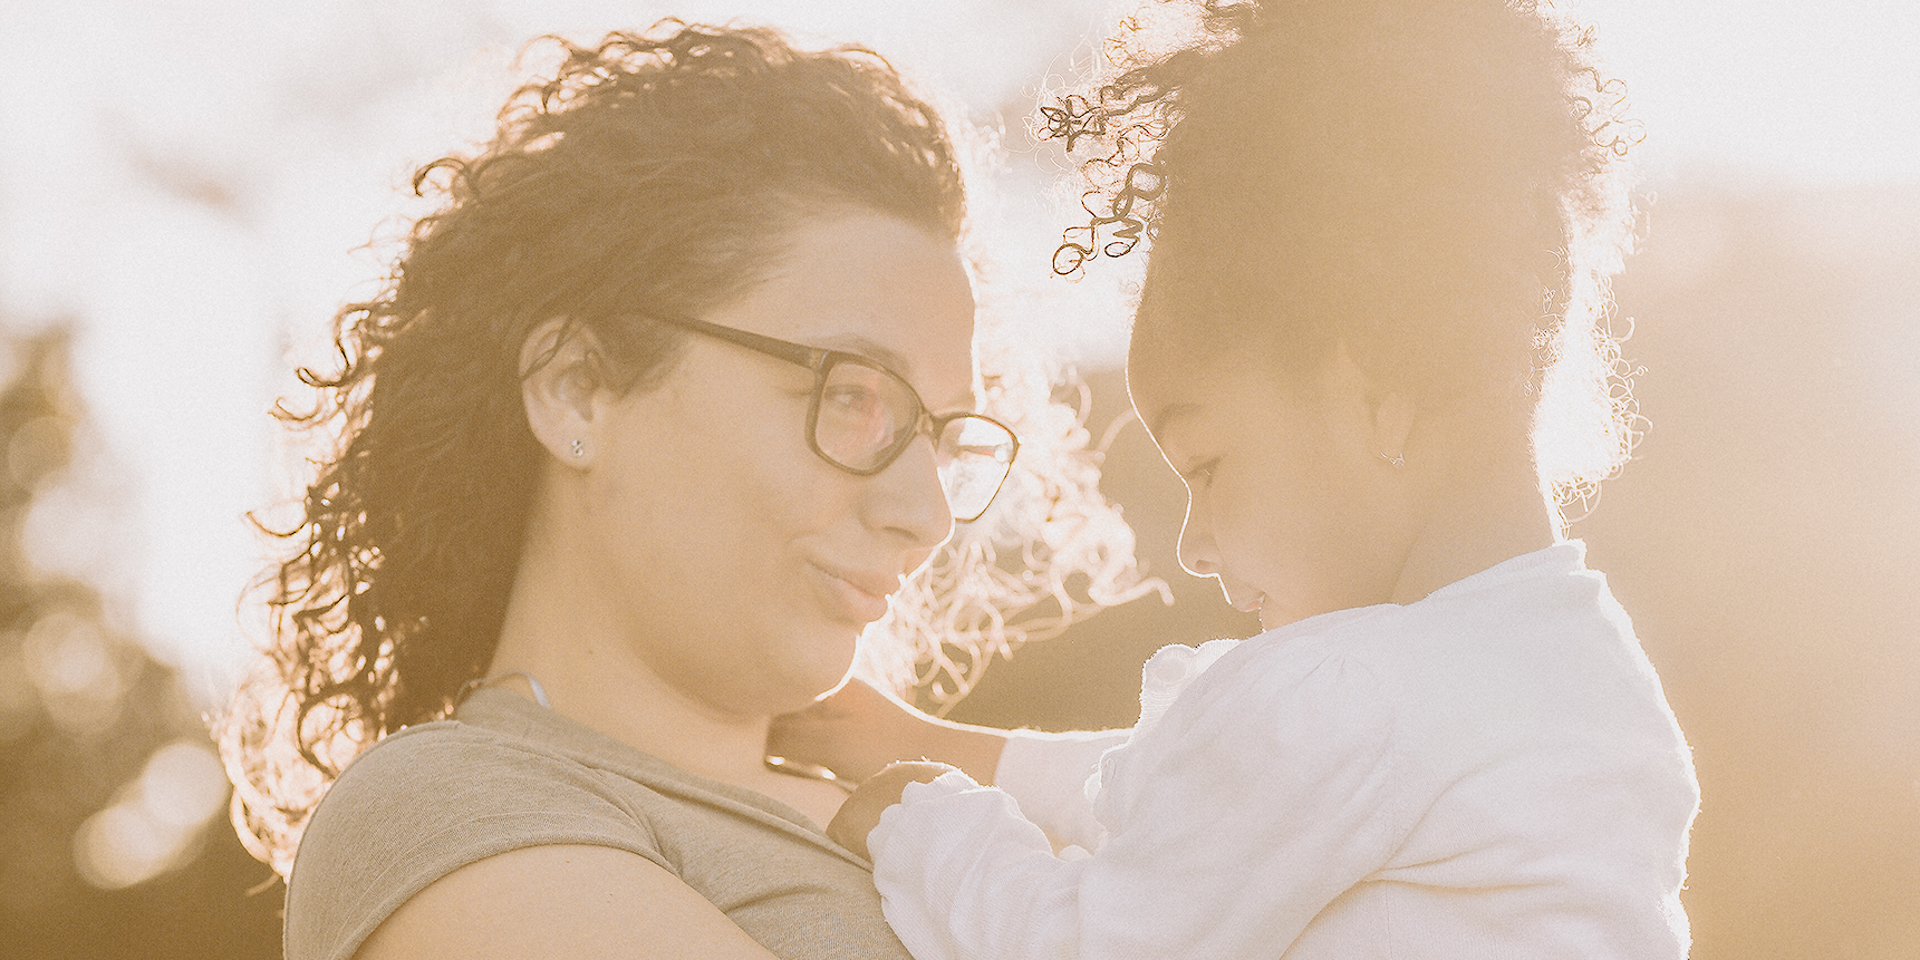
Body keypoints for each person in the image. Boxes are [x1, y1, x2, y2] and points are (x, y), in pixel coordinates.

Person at [768, 1, 1701, 957]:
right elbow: (1190, 797)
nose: (1193, 543)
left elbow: (1094, 941)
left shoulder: (1343, 697)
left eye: (1206, 467)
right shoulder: (1579, 675)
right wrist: (938, 747)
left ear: (1376, 391)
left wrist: (918, 821)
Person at [217, 22, 1033, 960]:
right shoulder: (454, 815)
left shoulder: (947, 818)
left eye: (943, 436)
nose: (926, 516)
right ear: (578, 388)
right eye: (852, 396)